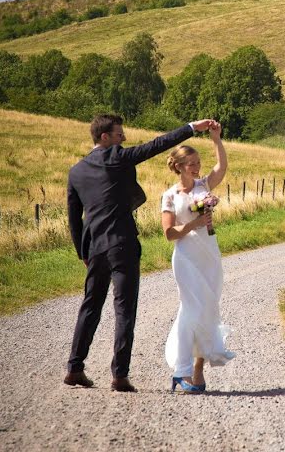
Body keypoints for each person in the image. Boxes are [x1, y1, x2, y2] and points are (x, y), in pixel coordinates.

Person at [63, 114, 215, 393]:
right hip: (122, 244)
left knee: (90, 307)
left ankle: (74, 368)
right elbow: (158, 144)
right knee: (124, 310)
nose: (124, 138)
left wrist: (82, 252)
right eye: (119, 134)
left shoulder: (76, 171)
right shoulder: (117, 157)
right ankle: (119, 376)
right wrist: (193, 127)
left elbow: (74, 219)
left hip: (95, 248)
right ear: (105, 137)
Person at [161, 121, 235, 394]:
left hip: (209, 255)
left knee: (208, 309)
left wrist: (216, 139)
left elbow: (222, 168)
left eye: (198, 162)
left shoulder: (204, 185)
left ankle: (197, 369)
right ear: (178, 166)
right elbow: (169, 233)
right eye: (190, 163)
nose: (196, 166)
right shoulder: (169, 196)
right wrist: (194, 224)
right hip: (186, 257)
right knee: (190, 309)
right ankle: (181, 371)